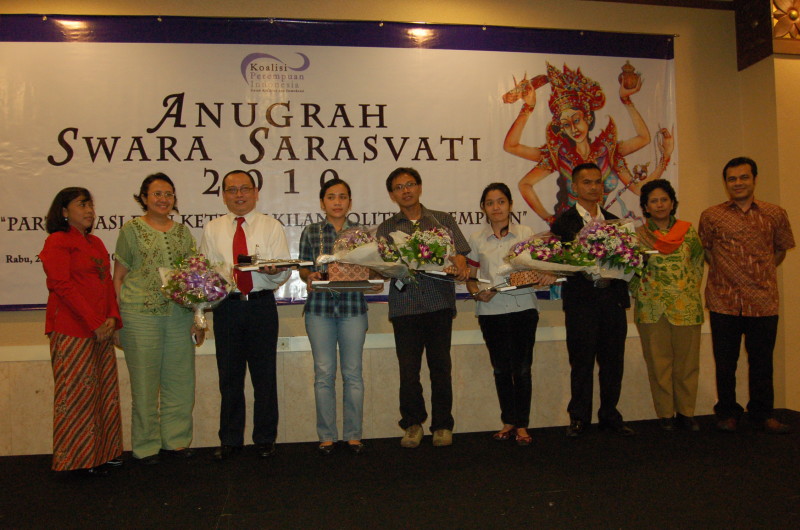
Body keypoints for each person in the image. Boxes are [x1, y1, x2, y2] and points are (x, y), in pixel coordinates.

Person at [503, 62, 673, 225]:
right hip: (569, 229)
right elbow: (514, 154)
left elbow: (639, 182)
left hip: (601, 226)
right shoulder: (560, 154)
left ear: (588, 118)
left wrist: (626, 101)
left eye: (576, 120)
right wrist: (528, 108)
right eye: (566, 125)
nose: (573, 129)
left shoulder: (607, 150)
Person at [699, 156, 795, 434]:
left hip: (763, 300)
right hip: (724, 300)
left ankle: (763, 414)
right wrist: (728, 273)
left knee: (762, 362)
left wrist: (758, 273)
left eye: (744, 177)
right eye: (732, 179)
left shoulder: (775, 213)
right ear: (726, 183)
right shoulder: (711, 215)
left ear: (754, 179)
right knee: (725, 363)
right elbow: (707, 250)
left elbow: (780, 250)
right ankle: (728, 413)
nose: (738, 183)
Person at [376, 167, 471, 448]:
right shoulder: (386, 228)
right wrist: (390, 267)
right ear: (392, 195)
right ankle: (413, 424)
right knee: (409, 371)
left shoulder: (442, 220)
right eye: (398, 187)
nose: (405, 190)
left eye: (410, 184)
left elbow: (460, 255)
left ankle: (442, 425)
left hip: (439, 303)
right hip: (405, 306)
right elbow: (381, 268)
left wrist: (459, 266)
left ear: (419, 187)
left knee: (441, 368)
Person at [199, 169, 291, 459]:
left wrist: (275, 271)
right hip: (227, 308)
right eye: (232, 190)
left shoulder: (271, 226)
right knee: (229, 376)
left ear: (255, 192)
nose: (239, 195)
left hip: (261, 305)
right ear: (223, 195)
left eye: (244, 189)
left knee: (264, 376)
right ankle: (230, 439)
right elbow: (204, 274)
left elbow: (283, 272)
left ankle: (265, 438)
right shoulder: (212, 229)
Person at [113, 173, 202, 464]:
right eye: (157, 194)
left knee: (180, 382)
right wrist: (116, 318)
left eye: (168, 194)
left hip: (178, 317)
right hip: (139, 316)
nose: (163, 199)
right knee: (144, 385)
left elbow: (194, 279)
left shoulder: (183, 233)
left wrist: (198, 317)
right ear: (144, 198)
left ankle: (176, 441)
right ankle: (146, 446)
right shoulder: (131, 230)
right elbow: (119, 277)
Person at [40, 187, 123, 475]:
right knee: (77, 396)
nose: (89, 211)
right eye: (82, 205)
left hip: (101, 330)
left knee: (104, 393)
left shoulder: (96, 242)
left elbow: (106, 284)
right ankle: (76, 460)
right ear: (64, 211)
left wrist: (112, 318)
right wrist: (93, 321)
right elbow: (61, 286)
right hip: (72, 329)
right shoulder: (57, 241)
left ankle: (104, 454)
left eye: (91, 205)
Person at [465, 183, 555, 446]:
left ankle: (522, 425)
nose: (496, 207)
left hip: (523, 309)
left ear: (510, 205)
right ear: (483, 208)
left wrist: (545, 274)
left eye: (501, 201)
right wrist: (475, 293)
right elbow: (471, 278)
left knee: (522, 369)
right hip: (490, 311)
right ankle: (508, 421)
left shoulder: (525, 234)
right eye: (490, 203)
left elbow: (540, 267)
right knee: (501, 369)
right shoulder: (476, 239)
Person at [550, 162, 635, 437]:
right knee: (582, 363)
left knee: (613, 363)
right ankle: (579, 418)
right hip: (581, 304)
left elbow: (627, 260)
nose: (594, 187)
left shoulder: (615, 222)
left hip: (612, 301)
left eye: (598, 181)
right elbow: (558, 263)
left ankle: (610, 415)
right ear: (574, 187)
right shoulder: (563, 223)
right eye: (587, 182)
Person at [298, 179, 381, 456]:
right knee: (323, 374)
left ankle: (353, 435)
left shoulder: (362, 234)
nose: (337, 202)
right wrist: (310, 276)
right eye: (331, 197)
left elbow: (372, 269)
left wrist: (374, 280)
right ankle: (327, 436)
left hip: (353, 309)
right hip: (319, 309)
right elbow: (303, 268)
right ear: (322, 202)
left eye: (342, 197)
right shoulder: (311, 232)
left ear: (350, 202)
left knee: (353, 373)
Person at [630, 180, 704, 432]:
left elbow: (697, 263)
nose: (660, 205)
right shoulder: (638, 236)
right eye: (653, 201)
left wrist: (688, 290)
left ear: (672, 203)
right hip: (651, 307)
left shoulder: (688, 231)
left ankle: (686, 413)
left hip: (686, 307)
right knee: (658, 364)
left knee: (687, 364)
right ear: (645, 207)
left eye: (664, 199)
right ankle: (665, 414)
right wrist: (641, 292)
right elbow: (629, 270)